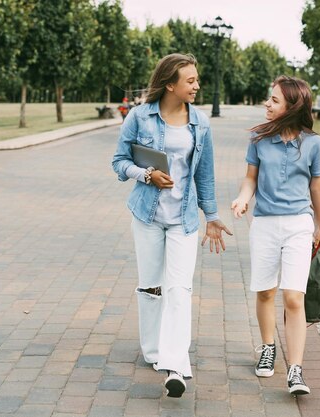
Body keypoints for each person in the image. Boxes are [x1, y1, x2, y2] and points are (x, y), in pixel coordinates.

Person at [112, 53, 232, 398]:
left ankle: (175, 364)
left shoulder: (201, 123)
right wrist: (146, 174)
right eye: (190, 80)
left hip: (182, 219)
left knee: (179, 289)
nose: (197, 85)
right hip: (147, 215)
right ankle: (153, 349)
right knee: (152, 287)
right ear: (170, 84)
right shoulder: (139, 117)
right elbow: (118, 162)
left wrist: (211, 217)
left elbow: (204, 174)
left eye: (197, 79)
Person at [231, 75, 320, 395]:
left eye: (274, 100)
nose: (267, 104)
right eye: (268, 98)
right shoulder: (258, 139)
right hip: (265, 225)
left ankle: (296, 370)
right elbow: (250, 179)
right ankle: (268, 347)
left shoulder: (313, 143)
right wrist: (244, 198)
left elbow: (317, 185)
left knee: (293, 296)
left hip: (299, 225)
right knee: (265, 293)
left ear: (292, 105)